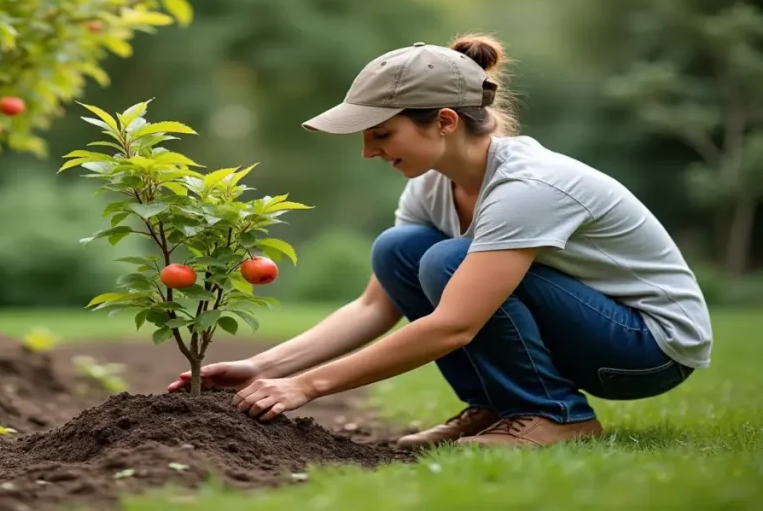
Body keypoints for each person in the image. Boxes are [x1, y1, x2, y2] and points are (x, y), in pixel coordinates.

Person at [167, 34, 713, 449]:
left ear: (445, 121)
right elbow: (372, 306)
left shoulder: (527, 186)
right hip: (593, 328)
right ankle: (498, 406)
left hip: (649, 348)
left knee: (450, 261)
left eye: (382, 134)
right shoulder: (432, 184)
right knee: (399, 250)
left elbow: (456, 323)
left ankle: (559, 418)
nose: (369, 152)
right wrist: (266, 369)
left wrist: (307, 387)